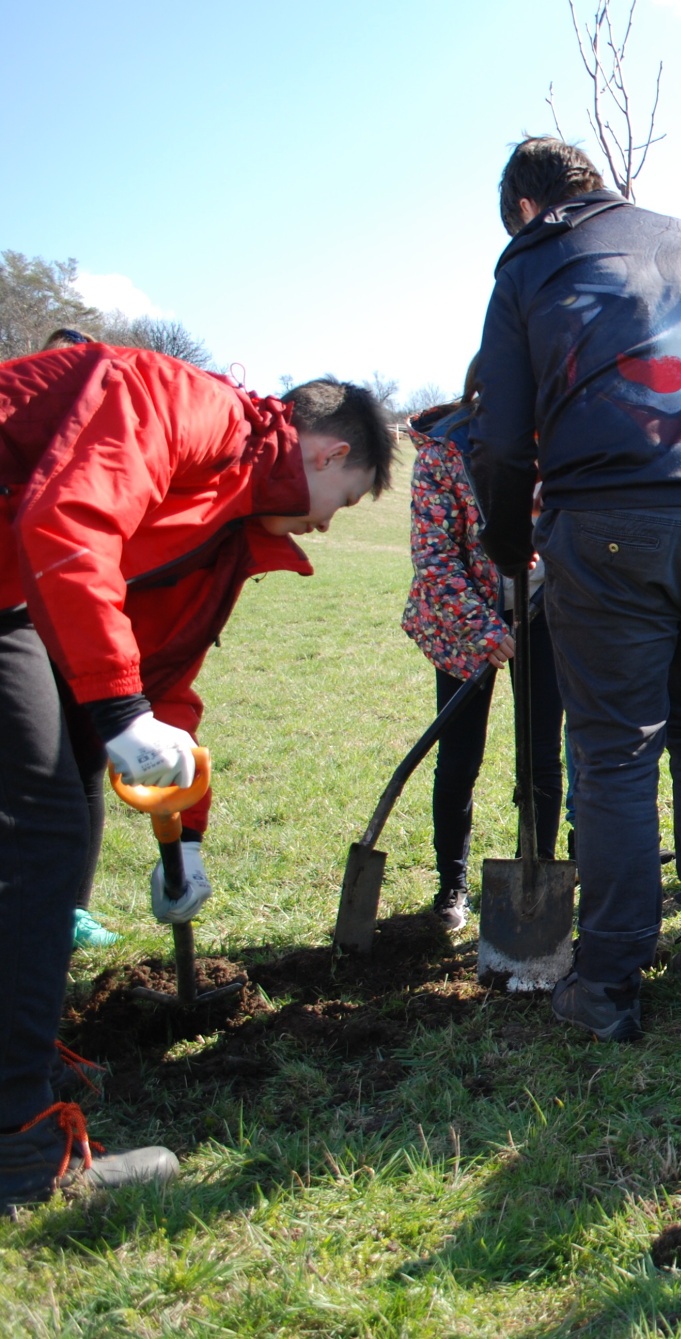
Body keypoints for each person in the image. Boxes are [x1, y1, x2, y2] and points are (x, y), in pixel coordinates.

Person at [0, 342, 393, 1207]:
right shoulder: (176, 402)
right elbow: (66, 521)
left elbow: (164, 674)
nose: (329, 526)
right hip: (17, 583)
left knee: (64, 808)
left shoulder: (226, 521)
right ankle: (19, 1145)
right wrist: (113, 712)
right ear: (326, 453)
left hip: (16, 594)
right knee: (33, 833)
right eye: (345, 500)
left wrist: (192, 841)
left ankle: (23, 1051)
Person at [470, 138, 681, 1041]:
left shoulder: (530, 261)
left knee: (613, 746)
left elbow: (500, 434)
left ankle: (607, 978)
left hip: (613, 516)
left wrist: (506, 540)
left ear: (526, 206)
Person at [402, 375, 562, 933]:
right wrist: (483, 628)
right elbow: (435, 554)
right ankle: (451, 888)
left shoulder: (558, 437)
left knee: (541, 755)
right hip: (462, 622)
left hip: (543, 614)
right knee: (460, 757)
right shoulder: (444, 455)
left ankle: (538, 876)